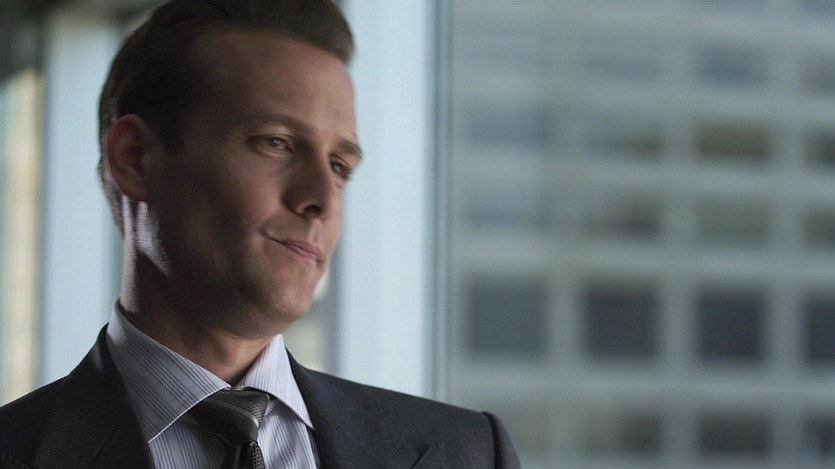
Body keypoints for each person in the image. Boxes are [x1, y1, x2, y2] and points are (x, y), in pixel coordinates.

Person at [0, 0, 521, 468]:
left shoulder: (469, 452)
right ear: (135, 159)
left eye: (339, 166)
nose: (322, 199)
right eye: (276, 142)